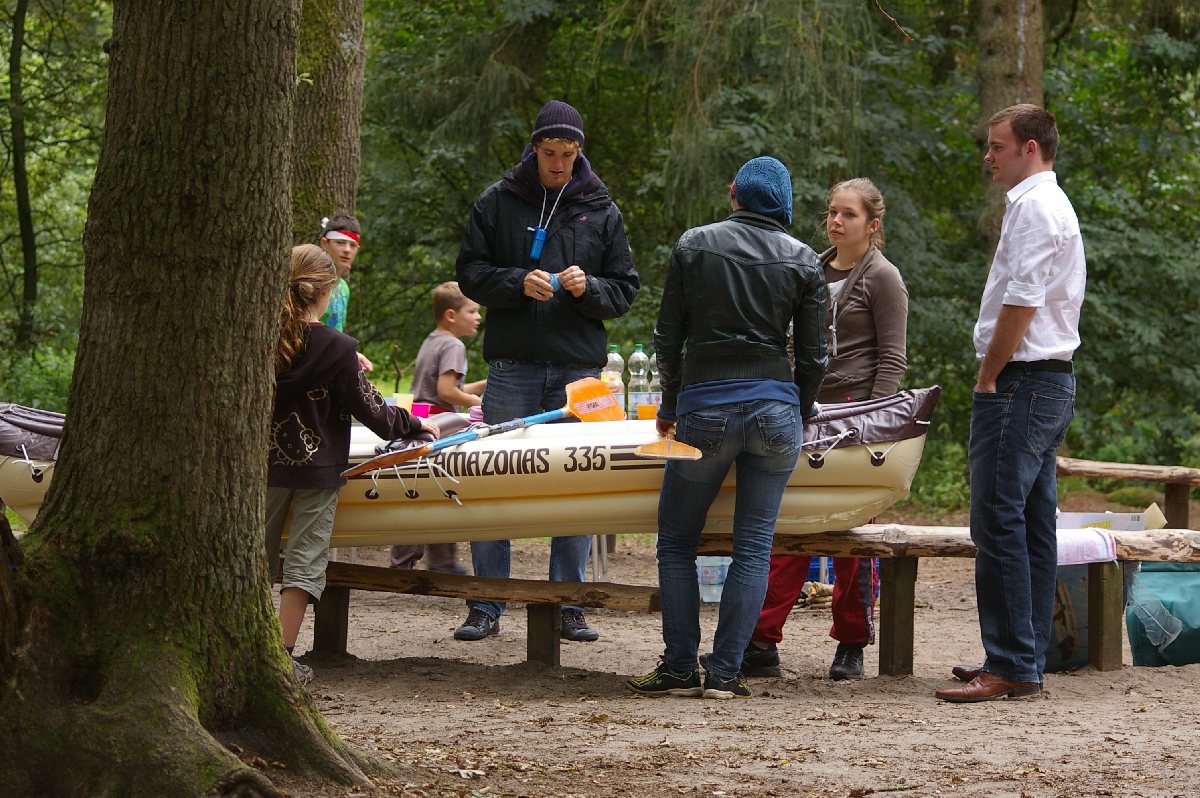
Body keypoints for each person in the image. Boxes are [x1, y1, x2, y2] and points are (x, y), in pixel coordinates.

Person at [627, 156, 827, 700]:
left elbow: (668, 337)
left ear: (735, 193)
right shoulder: (804, 259)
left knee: (676, 542)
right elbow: (815, 355)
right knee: (754, 547)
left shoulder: (694, 245)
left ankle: (677, 666)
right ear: (784, 204)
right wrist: (799, 409)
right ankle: (725, 672)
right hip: (776, 409)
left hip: (706, 406)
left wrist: (670, 404)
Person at [453, 99, 639, 643]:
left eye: (568, 154)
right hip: (512, 365)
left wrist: (589, 288)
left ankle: (568, 604)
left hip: (580, 368)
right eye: (550, 153)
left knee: (578, 481)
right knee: (493, 477)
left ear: (580, 152)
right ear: (534, 149)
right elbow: (470, 273)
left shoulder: (601, 208)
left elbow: (624, 289)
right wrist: (516, 283)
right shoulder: (498, 200)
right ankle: (486, 602)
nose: (558, 164)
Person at [935, 104, 1086, 703]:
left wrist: (988, 375)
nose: (988, 156)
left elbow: (1022, 301)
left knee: (997, 521)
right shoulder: (1050, 203)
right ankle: (1024, 656)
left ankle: (1012, 662)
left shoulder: (1035, 206)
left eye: (997, 146)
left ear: (1030, 148)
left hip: (1022, 381)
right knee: (1031, 524)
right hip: (1048, 381)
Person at [741, 178, 908, 681]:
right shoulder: (808, 267)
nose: (836, 221)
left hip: (855, 417)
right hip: (801, 409)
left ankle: (851, 642)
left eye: (849, 214)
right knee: (788, 522)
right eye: (833, 212)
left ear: (872, 225)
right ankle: (761, 642)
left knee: (851, 532)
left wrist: (874, 425)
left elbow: (892, 359)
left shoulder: (884, 278)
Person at [267, 244, 439, 683]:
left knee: (252, 556)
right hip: (318, 471)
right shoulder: (337, 347)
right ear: (327, 292)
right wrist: (415, 424)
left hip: (262, 469)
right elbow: (375, 414)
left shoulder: (257, 336)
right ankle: (280, 657)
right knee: (305, 562)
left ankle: (243, 644)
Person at [389, 281, 486, 573]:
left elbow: (444, 387)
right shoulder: (454, 345)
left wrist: (483, 385)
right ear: (451, 315)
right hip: (440, 425)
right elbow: (446, 392)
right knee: (445, 489)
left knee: (420, 490)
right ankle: (440, 564)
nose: (478, 317)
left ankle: (410, 562)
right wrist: (477, 402)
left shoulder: (433, 339)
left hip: (419, 420)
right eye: (472, 311)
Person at [318, 214, 373, 373]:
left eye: (352, 245)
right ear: (325, 243)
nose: (347, 250)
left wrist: (349, 357)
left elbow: (336, 333)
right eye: (340, 243)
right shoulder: (312, 283)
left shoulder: (343, 288)